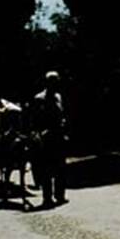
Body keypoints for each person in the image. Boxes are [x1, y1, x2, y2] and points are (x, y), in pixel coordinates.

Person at [30, 71, 68, 208]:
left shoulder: (58, 97)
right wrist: (40, 133)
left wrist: (63, 126)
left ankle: (60, 195)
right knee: (46, 169)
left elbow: (61, 114)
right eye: (53, 81)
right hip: (47, 137)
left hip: (59, 135)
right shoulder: (39, 98)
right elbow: (35, 119)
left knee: (60, 168)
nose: (55, 84)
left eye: (56, 81)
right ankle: (47, 197)